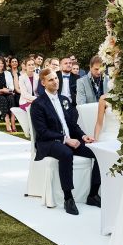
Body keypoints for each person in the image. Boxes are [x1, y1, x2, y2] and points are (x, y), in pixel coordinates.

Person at [30, 69, 101, 215]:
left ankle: (93, 194)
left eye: (56, 78)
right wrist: (65, 140)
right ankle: (68, 198)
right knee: (66, 153)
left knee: (98, 152)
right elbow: (43, 132)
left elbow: (72, 125)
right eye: (50, 80)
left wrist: (83, 136)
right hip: (49, 142)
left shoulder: (64, 100)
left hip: (69, 139)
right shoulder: (38, 104)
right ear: (43, 83)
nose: (55, 81)